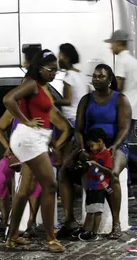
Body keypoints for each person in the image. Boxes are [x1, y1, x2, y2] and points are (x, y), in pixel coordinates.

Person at [3, 49, 73, 252]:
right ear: (39, 68)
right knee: (50, 184)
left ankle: (13, 236)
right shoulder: (31, 84)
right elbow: (8, 99)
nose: (54, 74)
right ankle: (50, 239)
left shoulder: (42, 86)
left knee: (24, 190)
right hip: (29, 139)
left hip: (37, 139)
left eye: (56, 70)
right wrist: (26, 121)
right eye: (51, 70)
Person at [58, 64, 132, 240]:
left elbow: (124, 128)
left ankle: (116, 224)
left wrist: (114, 146)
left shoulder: (120, 99)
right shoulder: (86, 100)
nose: (97, 79)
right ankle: (69, 221)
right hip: (89, 147)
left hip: (115, 145)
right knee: (64, 172)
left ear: (110, 79)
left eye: (101, 76)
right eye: (95, 76)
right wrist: (82, 149)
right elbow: (78, 129)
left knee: (112, 174)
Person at [0, 110, 42, 238]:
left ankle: (31, 222)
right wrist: (7, 146)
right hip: (16, 153)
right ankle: (4, 217)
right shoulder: (14, 108)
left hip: (37, 153)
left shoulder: (42, 108)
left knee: (34, 178)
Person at [105, 29, 137, 199]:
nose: (110, 47)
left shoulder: (122, 61)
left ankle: (128, 185)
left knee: (122, 147)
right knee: (130, 146)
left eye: (112, 43)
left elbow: (119, 86)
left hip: (126, 111)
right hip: (134, 110)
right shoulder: (133, 61)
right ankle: (131, 185)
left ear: (119, 43)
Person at [72, 128, 113, 241]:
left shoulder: (106, 154)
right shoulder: (94, 154)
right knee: (90, 210)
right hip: (91, 186)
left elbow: (110, 171)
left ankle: (94, 233)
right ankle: (85, 229)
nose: (91, 149)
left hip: (100, 186)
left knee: (97, 211)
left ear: (100, 142)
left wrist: (96, 165)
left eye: (92, 145)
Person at [55, 43, 90, 127]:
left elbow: (68, 100)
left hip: (71, 118)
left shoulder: (69, 76)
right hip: (82, 117)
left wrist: (52, 102)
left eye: (60, 55)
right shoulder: (81, 74)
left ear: (67, 58)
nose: (58, 59)